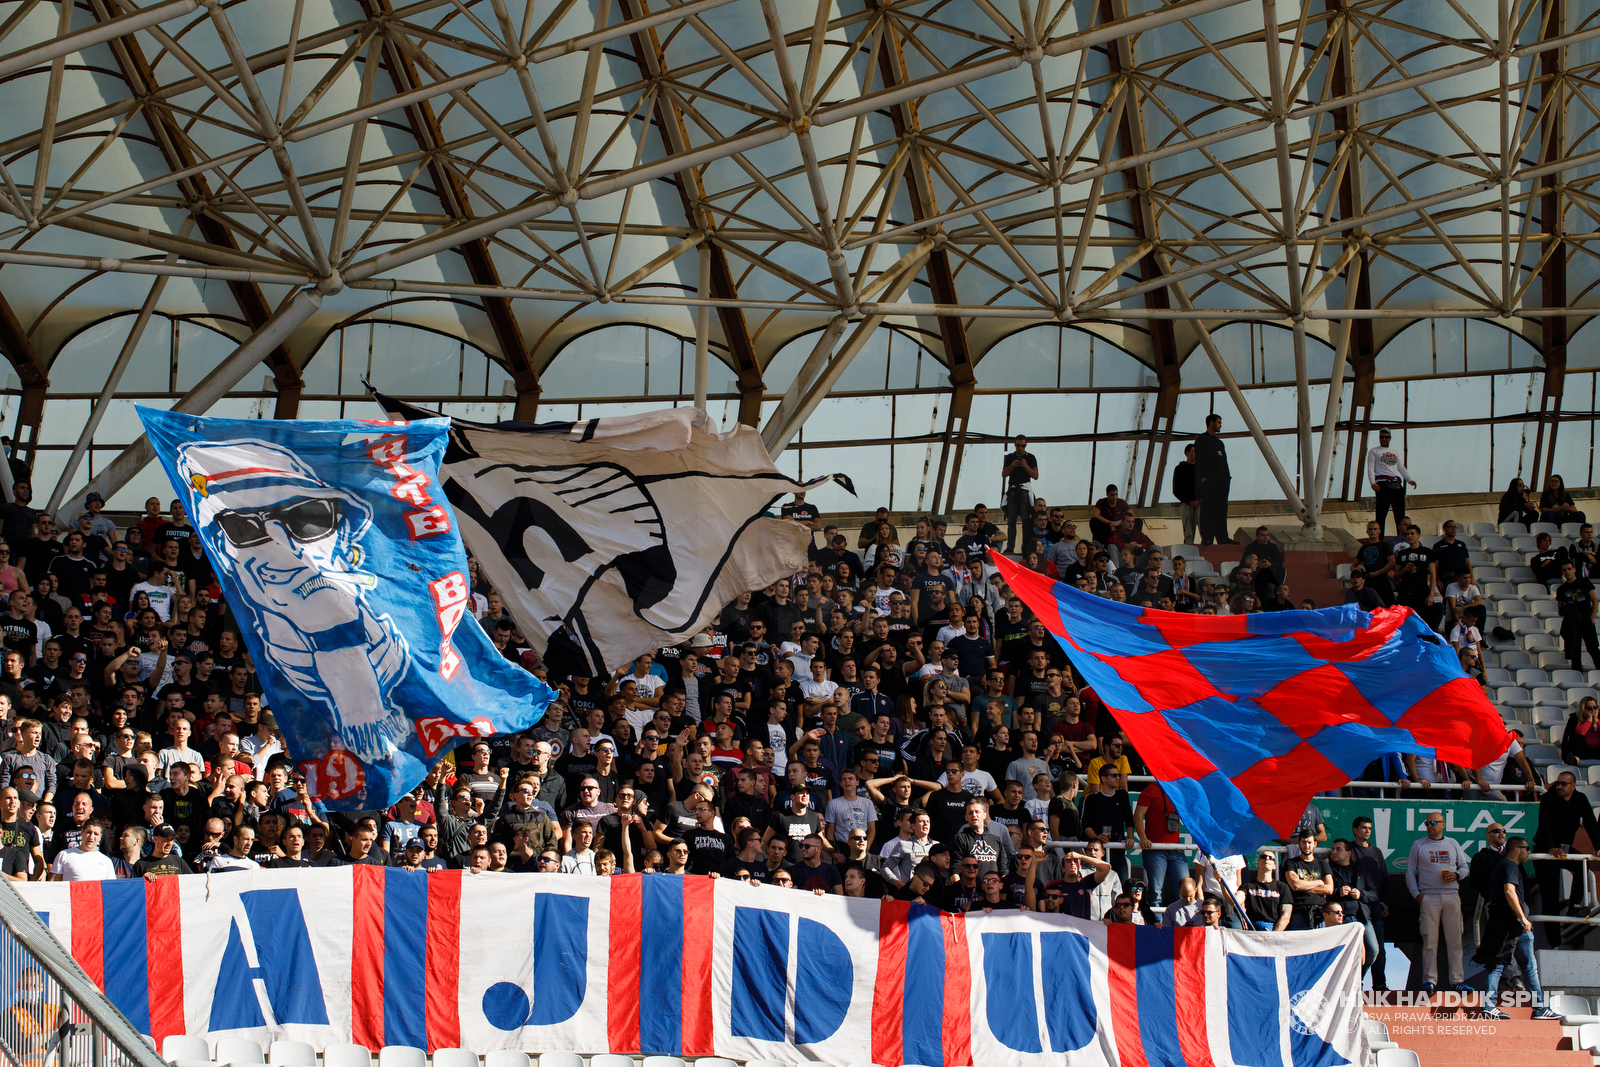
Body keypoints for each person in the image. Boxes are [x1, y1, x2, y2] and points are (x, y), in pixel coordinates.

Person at [1474, 836, 1565, 1022]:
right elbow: (1509, 891)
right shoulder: (1509, 866)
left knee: (1525, 966)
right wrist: (1523, 918)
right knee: (1500, 965)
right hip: (1511, 924)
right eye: (1527, 849)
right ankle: (1490, 1005)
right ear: (1517, 850)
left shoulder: (1503, 867)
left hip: (1510, 924)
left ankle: (1539, 1008)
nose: (1529, 853)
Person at [1406, 811, 1470, 998]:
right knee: (1430, 941)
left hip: (1451, 895)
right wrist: (1417, 895)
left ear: (1443, 824)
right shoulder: (1418, 844)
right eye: (1427, 823)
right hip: (1429, 897)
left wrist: (1457, 875)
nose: (1430, 825)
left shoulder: (1453, 843)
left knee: (1455, 941)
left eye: (1434, 822)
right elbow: (1410, 872)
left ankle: (1457, 981)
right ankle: (1429, 981)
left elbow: (1465, 867)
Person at [1533, 770, 1600, 947]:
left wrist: (1598, 846)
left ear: (1573, 786)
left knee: (1582, 866)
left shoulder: (1580, 799)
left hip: (1565, 848)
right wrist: (1550, 848)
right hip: (1545, 851)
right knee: (1550, 900)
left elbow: (1591, 823)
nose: (1559, 786)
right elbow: (1544, 823)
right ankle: (1554, 943)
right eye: (1557, 783)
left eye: (1563, 784)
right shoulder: (1548, 798)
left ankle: (1575, 905)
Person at [1365, 428, 1415, 536]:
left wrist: (1409, 479)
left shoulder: (1395, 452)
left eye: (1386, 437)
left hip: (1396, 484)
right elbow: (1370, 468)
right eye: (1381, 437)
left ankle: (1402, 538)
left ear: (1390, 438)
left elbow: (1401, 467)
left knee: (1400, 515)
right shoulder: (1374, 451)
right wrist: (1372, 483)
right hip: (1382, 484)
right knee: (1381, 515)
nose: (1383, 439)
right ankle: (1379, 539)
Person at [1555, 561, 1600, 673]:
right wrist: (1567, 609)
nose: (1567, 572)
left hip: (1586, 621)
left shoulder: (1584, 582)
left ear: (1574, 569)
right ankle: (1578, 679)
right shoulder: (1561, 589)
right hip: (1573, 624)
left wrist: (1592, 618)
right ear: (1562, 572)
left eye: (1569, 569)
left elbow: (1594, 600)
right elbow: (1560, 611)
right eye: (1564, 570)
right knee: (1575, 654)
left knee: (1593, 649)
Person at [1193, 413, 1230, 545]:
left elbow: (1224, 462)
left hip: (1222, 482)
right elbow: (1200, 460)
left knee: (1221, 510)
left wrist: (1227, 478)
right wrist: (1203, 478)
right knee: (1208, 509)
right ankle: (1207, 537)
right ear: (1211, 423)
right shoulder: (1202, 440)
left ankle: (1222, 537)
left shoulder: (1219, 443)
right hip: (1210, 482)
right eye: (1218, 422)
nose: (1220, 425)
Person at [1002, 436, 1038, 555]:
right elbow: (1003, 474)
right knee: (1011, 520)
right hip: (1013, 489)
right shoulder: (1010, 457)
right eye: (1018, 445)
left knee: (1025, 520)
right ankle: (1010, 547)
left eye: (1023, 446)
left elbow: (1035, 476)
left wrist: (1024, 465)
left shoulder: (1030, 457)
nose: (1020, 448)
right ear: (1015, 445)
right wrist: (1013, 465)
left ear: (1026, 446)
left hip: (1024, 490)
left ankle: (1025, 546)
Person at [1242, 851, 1292, 931]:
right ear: (1257, 863)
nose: (1267, 859)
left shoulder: (1282, 887)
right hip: (1251, 927)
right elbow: (1236, 900)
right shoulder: (1247, 886)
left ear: (1274, 866)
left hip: (1271, 927)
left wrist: (1273, 936)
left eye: (1271, 858)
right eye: (1263, 857)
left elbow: (1286, 916)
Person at [1172, 444, 1200, 544]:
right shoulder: (1180, 469)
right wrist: (1189, 501)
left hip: (1200, 502)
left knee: (1204, 530)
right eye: (1194, 451)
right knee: (1189, 532)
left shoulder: (1200, 468)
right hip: (1186, 504)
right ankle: (1188, 549)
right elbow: (1176, 489)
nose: (1196, 454)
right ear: (1187, 453)